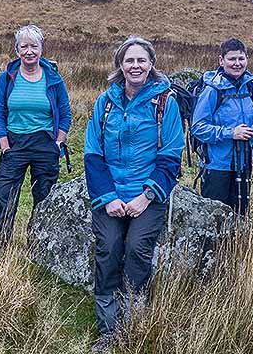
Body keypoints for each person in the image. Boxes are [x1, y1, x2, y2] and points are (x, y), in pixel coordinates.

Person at [84, 36, 183, 352]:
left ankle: (133, 326)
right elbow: (93, 154)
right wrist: (109, 197)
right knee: (109, 248)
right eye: (130, 60)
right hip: (110, 193)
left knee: (138, 248)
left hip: (147, 194)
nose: (136, 66)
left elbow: (171, 156)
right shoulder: (105, 102)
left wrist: (146, 196)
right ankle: (107, 332)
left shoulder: (165, 103)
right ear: (120, 65)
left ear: (151, 64)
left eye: (141, 60)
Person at [0, 25, 72, 259]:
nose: (29, 51)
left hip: (45, 144)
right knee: (3, 199)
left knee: (44, 200)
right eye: (23, 46)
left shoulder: (53, 79)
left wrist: (58, 142)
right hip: (14, 144)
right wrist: (4, 143)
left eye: (34, 46)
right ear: (17, 50)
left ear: (41, 48)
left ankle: (40, 254)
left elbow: (65, 113)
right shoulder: (7, 77)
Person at [190, 38, 253, 217]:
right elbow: (198, 127)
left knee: (241, 216)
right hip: (217, 165)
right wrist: (231, 133)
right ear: (221, 60)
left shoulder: (252, 87)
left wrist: (252, 132)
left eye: (241, 58)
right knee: (214, 217)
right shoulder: (212, 90)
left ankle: (237, 238)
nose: (237, 63)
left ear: (247, 59)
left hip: (244, 162)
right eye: (232, 59)